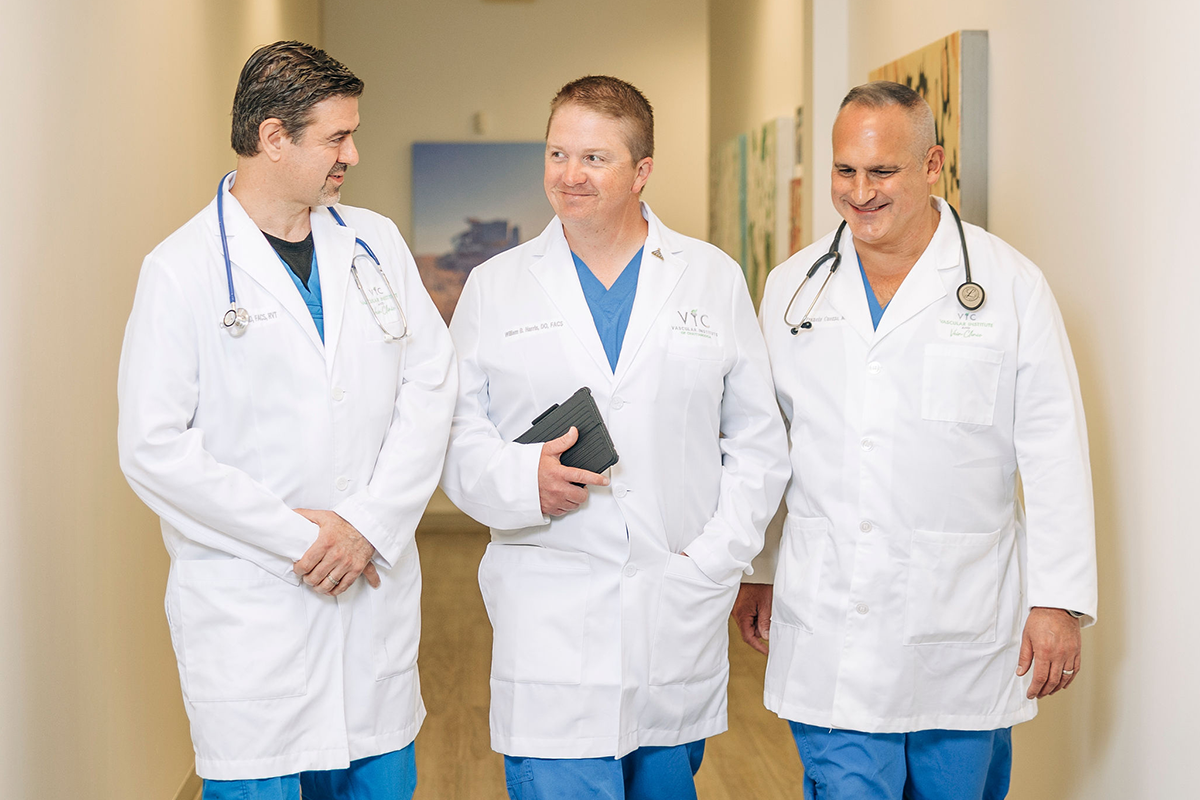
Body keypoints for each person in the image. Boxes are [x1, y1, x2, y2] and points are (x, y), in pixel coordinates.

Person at [736, 80, 1098, 799]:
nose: (860, 192)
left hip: (958, 614)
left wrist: (1058, 600)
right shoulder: (791, 288)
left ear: (932, 166)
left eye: (882, 171)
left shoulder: (1008, 286)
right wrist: (759, 566)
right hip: (829, 608)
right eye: (846, 170)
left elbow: (1055, 449)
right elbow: (765, 443)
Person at [117, 41, 456, 799]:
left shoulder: (375, 243)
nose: (354, 154)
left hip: (369, 607)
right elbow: (152, 448)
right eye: (337, 137)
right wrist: (305, 539)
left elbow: (432, 384)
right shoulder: (182, 269)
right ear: (274, 138)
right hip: (255, 620)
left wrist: (365, 523)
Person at [440, 75, 789, 799]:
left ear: (642, 171)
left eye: (595, 158)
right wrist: (518, 480)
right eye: (557, 154)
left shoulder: (710, 280)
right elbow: (454, 434)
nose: (569, 176)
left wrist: (716, 559)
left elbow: (758, 442)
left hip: (674, 596)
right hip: (549, 604)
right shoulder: (497, 285)